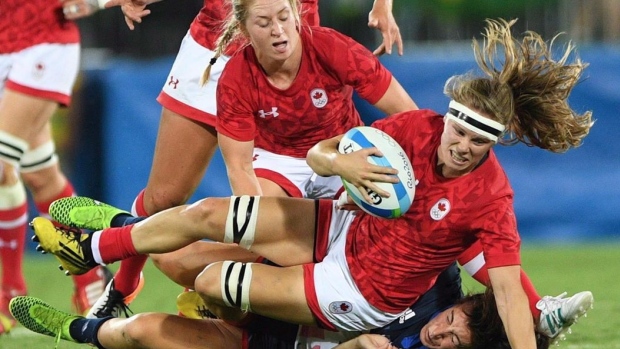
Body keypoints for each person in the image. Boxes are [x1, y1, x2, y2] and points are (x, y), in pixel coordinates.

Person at [30, 17, 594, 349]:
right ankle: (101, 246)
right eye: (459, 129)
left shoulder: (489, 199)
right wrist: (342, 165)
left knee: (196, 284)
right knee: (206, 220)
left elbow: (502, 289)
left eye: (479, 142)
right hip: (341, 231)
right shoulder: (418, 132)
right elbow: (495, 284)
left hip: (347, 297)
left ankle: (81, 324)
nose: (462, 146)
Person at [85, 0, 406, 319]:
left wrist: (382, 5)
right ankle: (124, 284)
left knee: (296, 235)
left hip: (290, 49)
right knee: (164, 197)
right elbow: (239, 171)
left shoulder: (326, 48)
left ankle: (219, 296)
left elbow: (410, 117)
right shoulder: (237, 64)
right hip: (214, 49)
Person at [8, 258, 552, 349]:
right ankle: (113, 235)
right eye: (453, 323)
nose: (441, 334)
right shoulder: (439, 282)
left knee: (144, 334)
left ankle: (74, 329)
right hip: (280, 294)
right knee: (191, 267)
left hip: (272, 345)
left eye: (455, 345)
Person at [0, 0, 114, 334]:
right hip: (5, 41)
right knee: (40, 176)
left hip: (43, 43)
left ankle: (9, 290)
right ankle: (89, 273)